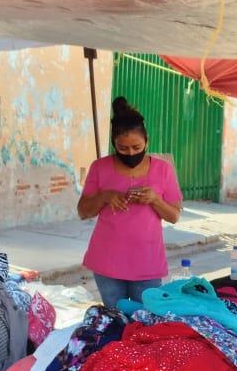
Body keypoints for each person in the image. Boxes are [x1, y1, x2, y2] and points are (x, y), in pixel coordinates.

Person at [77, 96, 183, 308]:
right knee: (116, 320)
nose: (131, 153)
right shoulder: (100, 167)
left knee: (145, 321)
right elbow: (83, 211)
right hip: (107, 262)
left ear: (147, 141)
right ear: (114, 144)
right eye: (123, 148)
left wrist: (155, 199)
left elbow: (174, 216)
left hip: (147, 262)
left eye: (136, 147)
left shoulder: (163, 170)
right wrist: (104, 196)